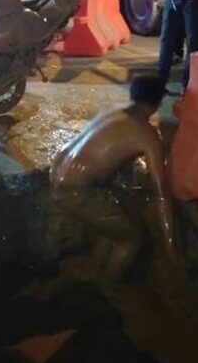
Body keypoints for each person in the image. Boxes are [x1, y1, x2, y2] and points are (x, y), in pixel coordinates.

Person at [50, 74, 173, 281]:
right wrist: (171, 246)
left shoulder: (110, 109)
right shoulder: (146, 135)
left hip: (57, 172)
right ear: (155, 104)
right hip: (75, 188)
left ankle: (98, 270)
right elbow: (161, 193)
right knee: (132, 239)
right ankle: (109, 286)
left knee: (115, 223)